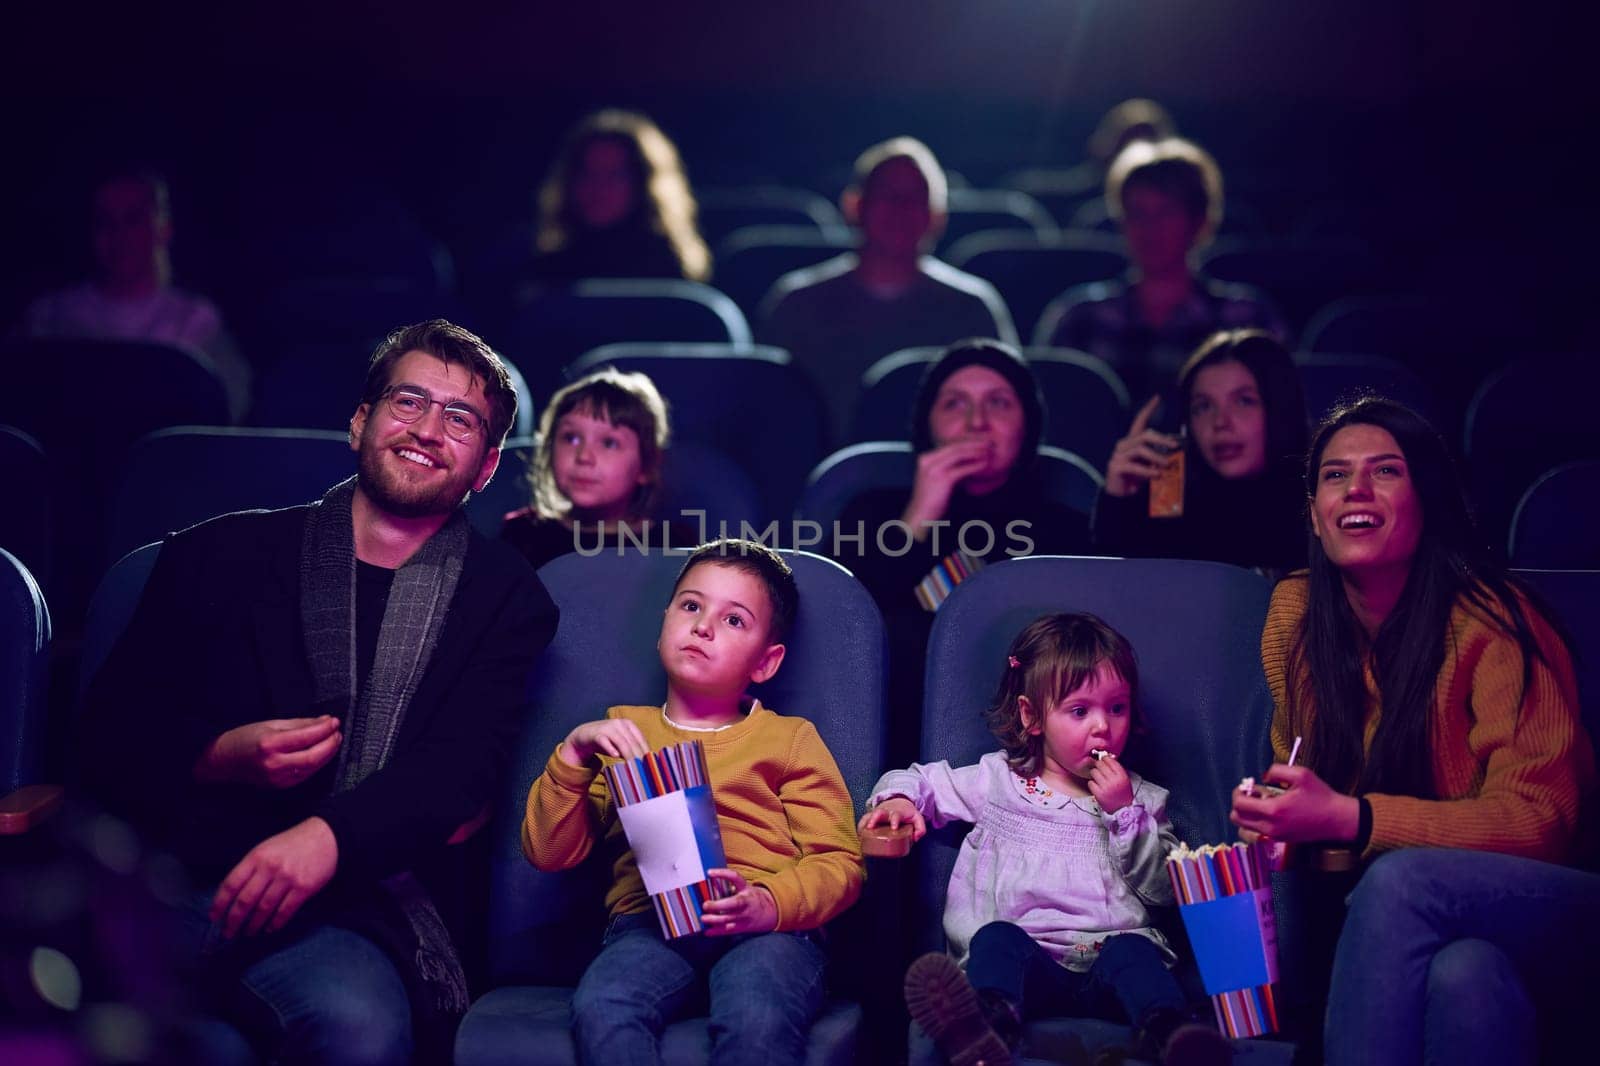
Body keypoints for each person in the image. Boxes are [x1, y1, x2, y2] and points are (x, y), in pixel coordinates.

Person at [79, 318, 561, 1064]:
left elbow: (457, 775)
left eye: (458, 419)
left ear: (487, 466)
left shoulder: (506, 598)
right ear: (360, 422)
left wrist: (326, 840)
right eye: (408, 403)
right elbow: (105, 735)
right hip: (177, 879)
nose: (428, 430)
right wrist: (217, 757)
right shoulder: (214, 553)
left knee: (357, 1028)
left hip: (354, 914)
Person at [1228, 397, 1598, 1066]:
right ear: (1314, 511)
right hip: (1415, 925)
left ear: (1426, 496)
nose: (1357, 490)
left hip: (1558, 908)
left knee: (1402, 882)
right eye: (1334, 476)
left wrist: (1352, 818)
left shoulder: (1494, 621)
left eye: (1386, 471)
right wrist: (1282, 824)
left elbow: (1545, 823)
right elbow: (1308, 778)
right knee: (1467, 979)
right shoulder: (1296, 612)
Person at [523, 538, 864, 1066]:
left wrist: (769, 903)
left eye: (734, 621)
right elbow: (550, 854)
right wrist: (572, 755)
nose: (703, 625)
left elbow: (840, 863)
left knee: (757, 1013)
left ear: (766, 662)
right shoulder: (619, 732)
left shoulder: (790, 739)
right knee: (604, 1005)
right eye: (691, 606)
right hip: (650, 925)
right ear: (665, 622)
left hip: (767, 927)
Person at [861, 613, 1228, 1066]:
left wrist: (1123, 814)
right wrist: (899, 801)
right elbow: (922, 779)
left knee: (1135, 953)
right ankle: (984, 1028)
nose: (1103, 727)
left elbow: (1165, 889)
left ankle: (1172, 1034)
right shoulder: (998, 781)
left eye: (1117, 707)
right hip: (1028, 969)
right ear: (1031, 716)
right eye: (1080, 711)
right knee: (995, 940)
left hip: (1107, 969)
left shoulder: (1141, 799)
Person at [833, 339, 1089, 763]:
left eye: (999, 404)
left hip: (1026, 746)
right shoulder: (870, 510)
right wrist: (917, 518)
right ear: (926, 426)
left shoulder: (1063, 530)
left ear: (1027, 426)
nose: (976, 423)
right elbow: (845, 634)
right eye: (954, 405)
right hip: (890, 732)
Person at [757, 137, 1017, 443]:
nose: (900, 210)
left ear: (938, 217)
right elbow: (765, 418)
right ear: (854, 205)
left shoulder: (973, 308)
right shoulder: (795, 305)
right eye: (887, 196)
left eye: (916, 198)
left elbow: (1006, 421)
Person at [1039, 138, 1285, 399]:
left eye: (1165, 212)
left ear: (1199, 221)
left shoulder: (1247, 319)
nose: (1150, 228)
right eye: (1137, 213)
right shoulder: (1079, 318)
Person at [23, 167, 252, 420]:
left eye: (132, 219)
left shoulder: (196, 321)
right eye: (105, 221)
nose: (118, 236)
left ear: (162, 229)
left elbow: (226, 408)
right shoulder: (52, 316)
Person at [1093, 329, 1308, 575]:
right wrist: (1119, 503)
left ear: (1280, 409)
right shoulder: (1169, 492)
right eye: (1203, 406)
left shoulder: (1318, 498)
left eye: (1243, 401)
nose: (1220, 422)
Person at [501, 366, 691, 569]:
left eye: (609, 443)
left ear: (647, 465)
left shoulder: (670, 545)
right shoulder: (523, 534)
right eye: (571, 438)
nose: (583, 456)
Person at [530, 109, 711, 285]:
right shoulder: (544, 270)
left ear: (645, 185)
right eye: (588, 174)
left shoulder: (671, 270)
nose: (598, 188)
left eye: (614, 175)